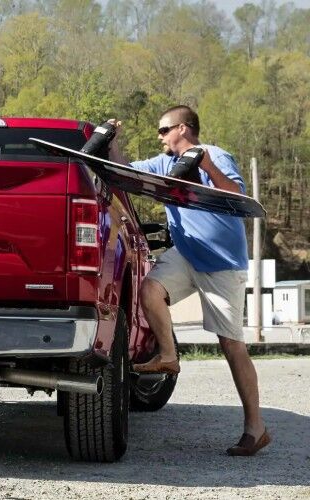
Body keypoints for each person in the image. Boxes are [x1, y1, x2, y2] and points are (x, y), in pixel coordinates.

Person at [107, 105, 270, 456]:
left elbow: (237, 195)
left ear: (183, 128)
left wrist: (207, 166)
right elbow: (123, 173)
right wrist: (113, 142)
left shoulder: (216, 156)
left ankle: (256, 428)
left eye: (164, 130)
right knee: (150, 290)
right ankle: (169, 355)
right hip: (186, 253)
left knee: (231, 345)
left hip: (222, 262)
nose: (160, 136)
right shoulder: (164, 163)